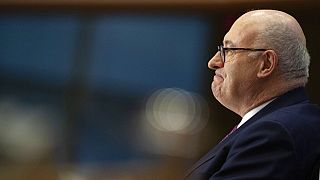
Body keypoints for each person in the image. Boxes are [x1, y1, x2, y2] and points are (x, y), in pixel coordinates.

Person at [185, 9, 320, 180]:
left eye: (229, 50)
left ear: (266, 63)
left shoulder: (273, 134)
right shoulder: (284, 122)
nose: (214, 62)